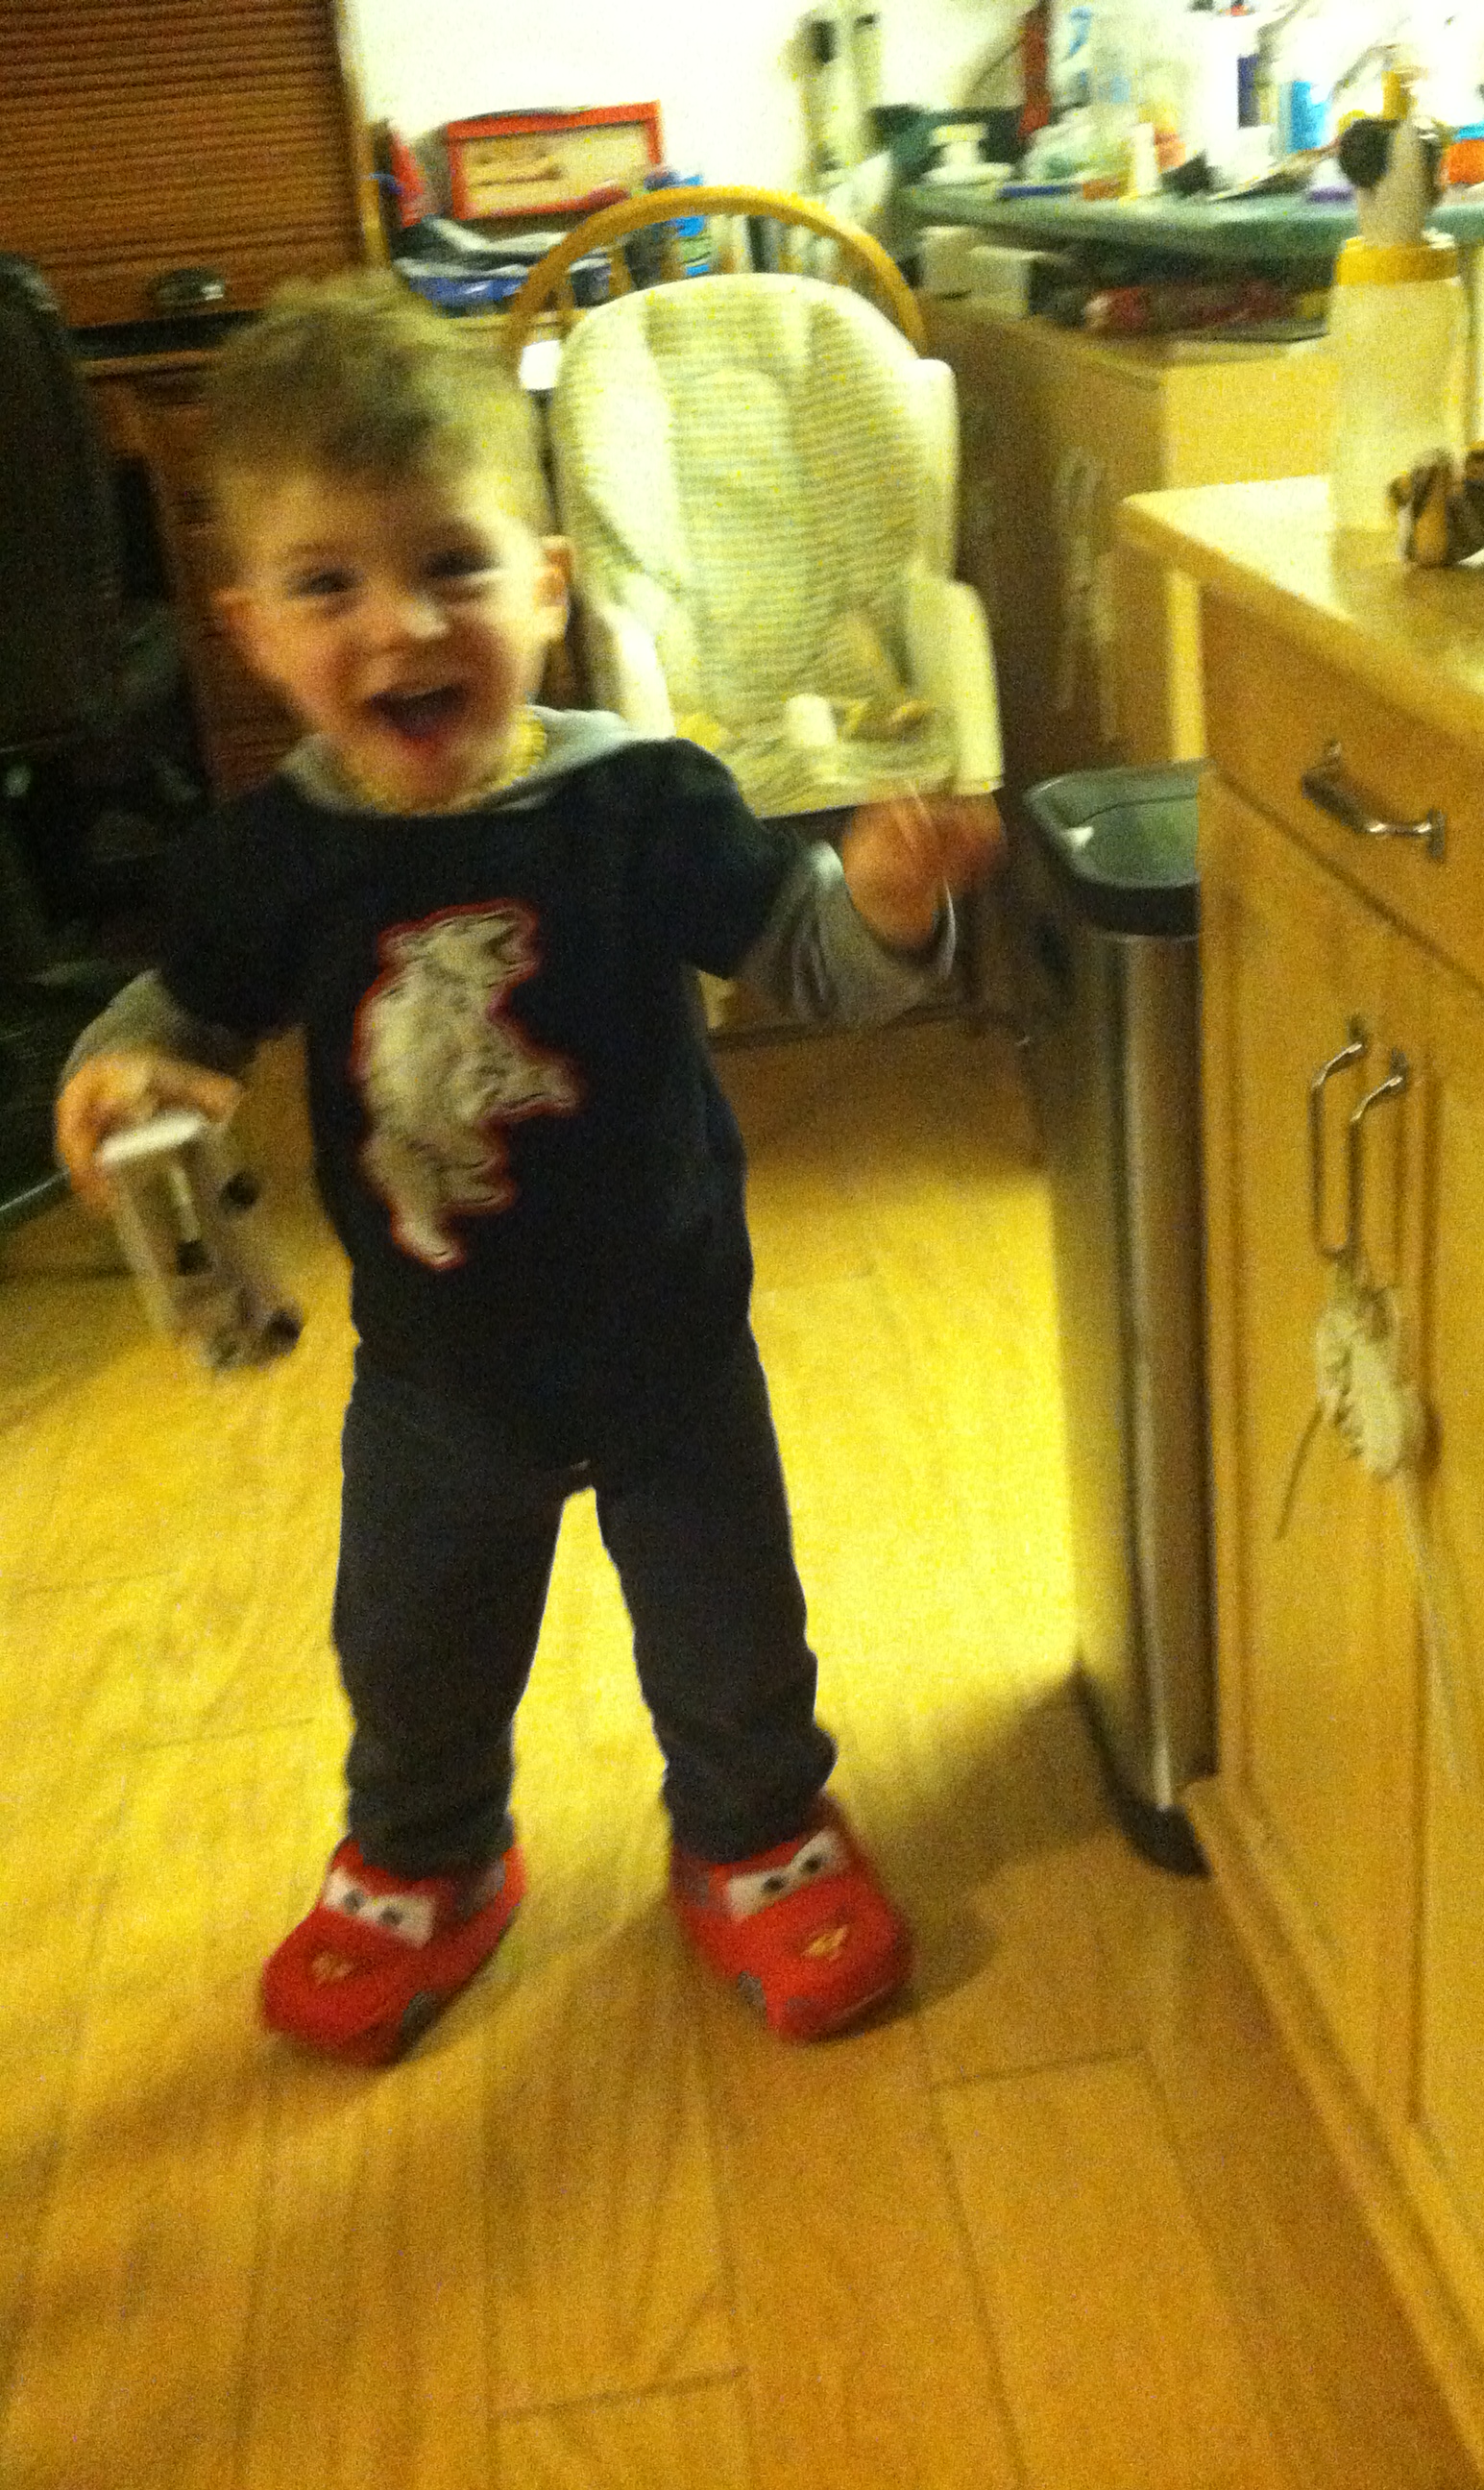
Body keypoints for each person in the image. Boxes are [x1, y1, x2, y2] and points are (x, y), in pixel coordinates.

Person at [55, 272, 1003, 2065]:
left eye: (453, 566)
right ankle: (429, 1852)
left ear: (547, 587)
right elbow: (184, 1013)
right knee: (412, 1640)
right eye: (329, 585)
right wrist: (124, 1073)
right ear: (250, 630)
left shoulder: (643, 803)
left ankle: (754, 1826)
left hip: (670, 1340)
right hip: (436, 1364)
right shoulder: (269, 862)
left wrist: (882, 910)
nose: (402, 625)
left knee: (731, 1629)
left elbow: (805, 960)